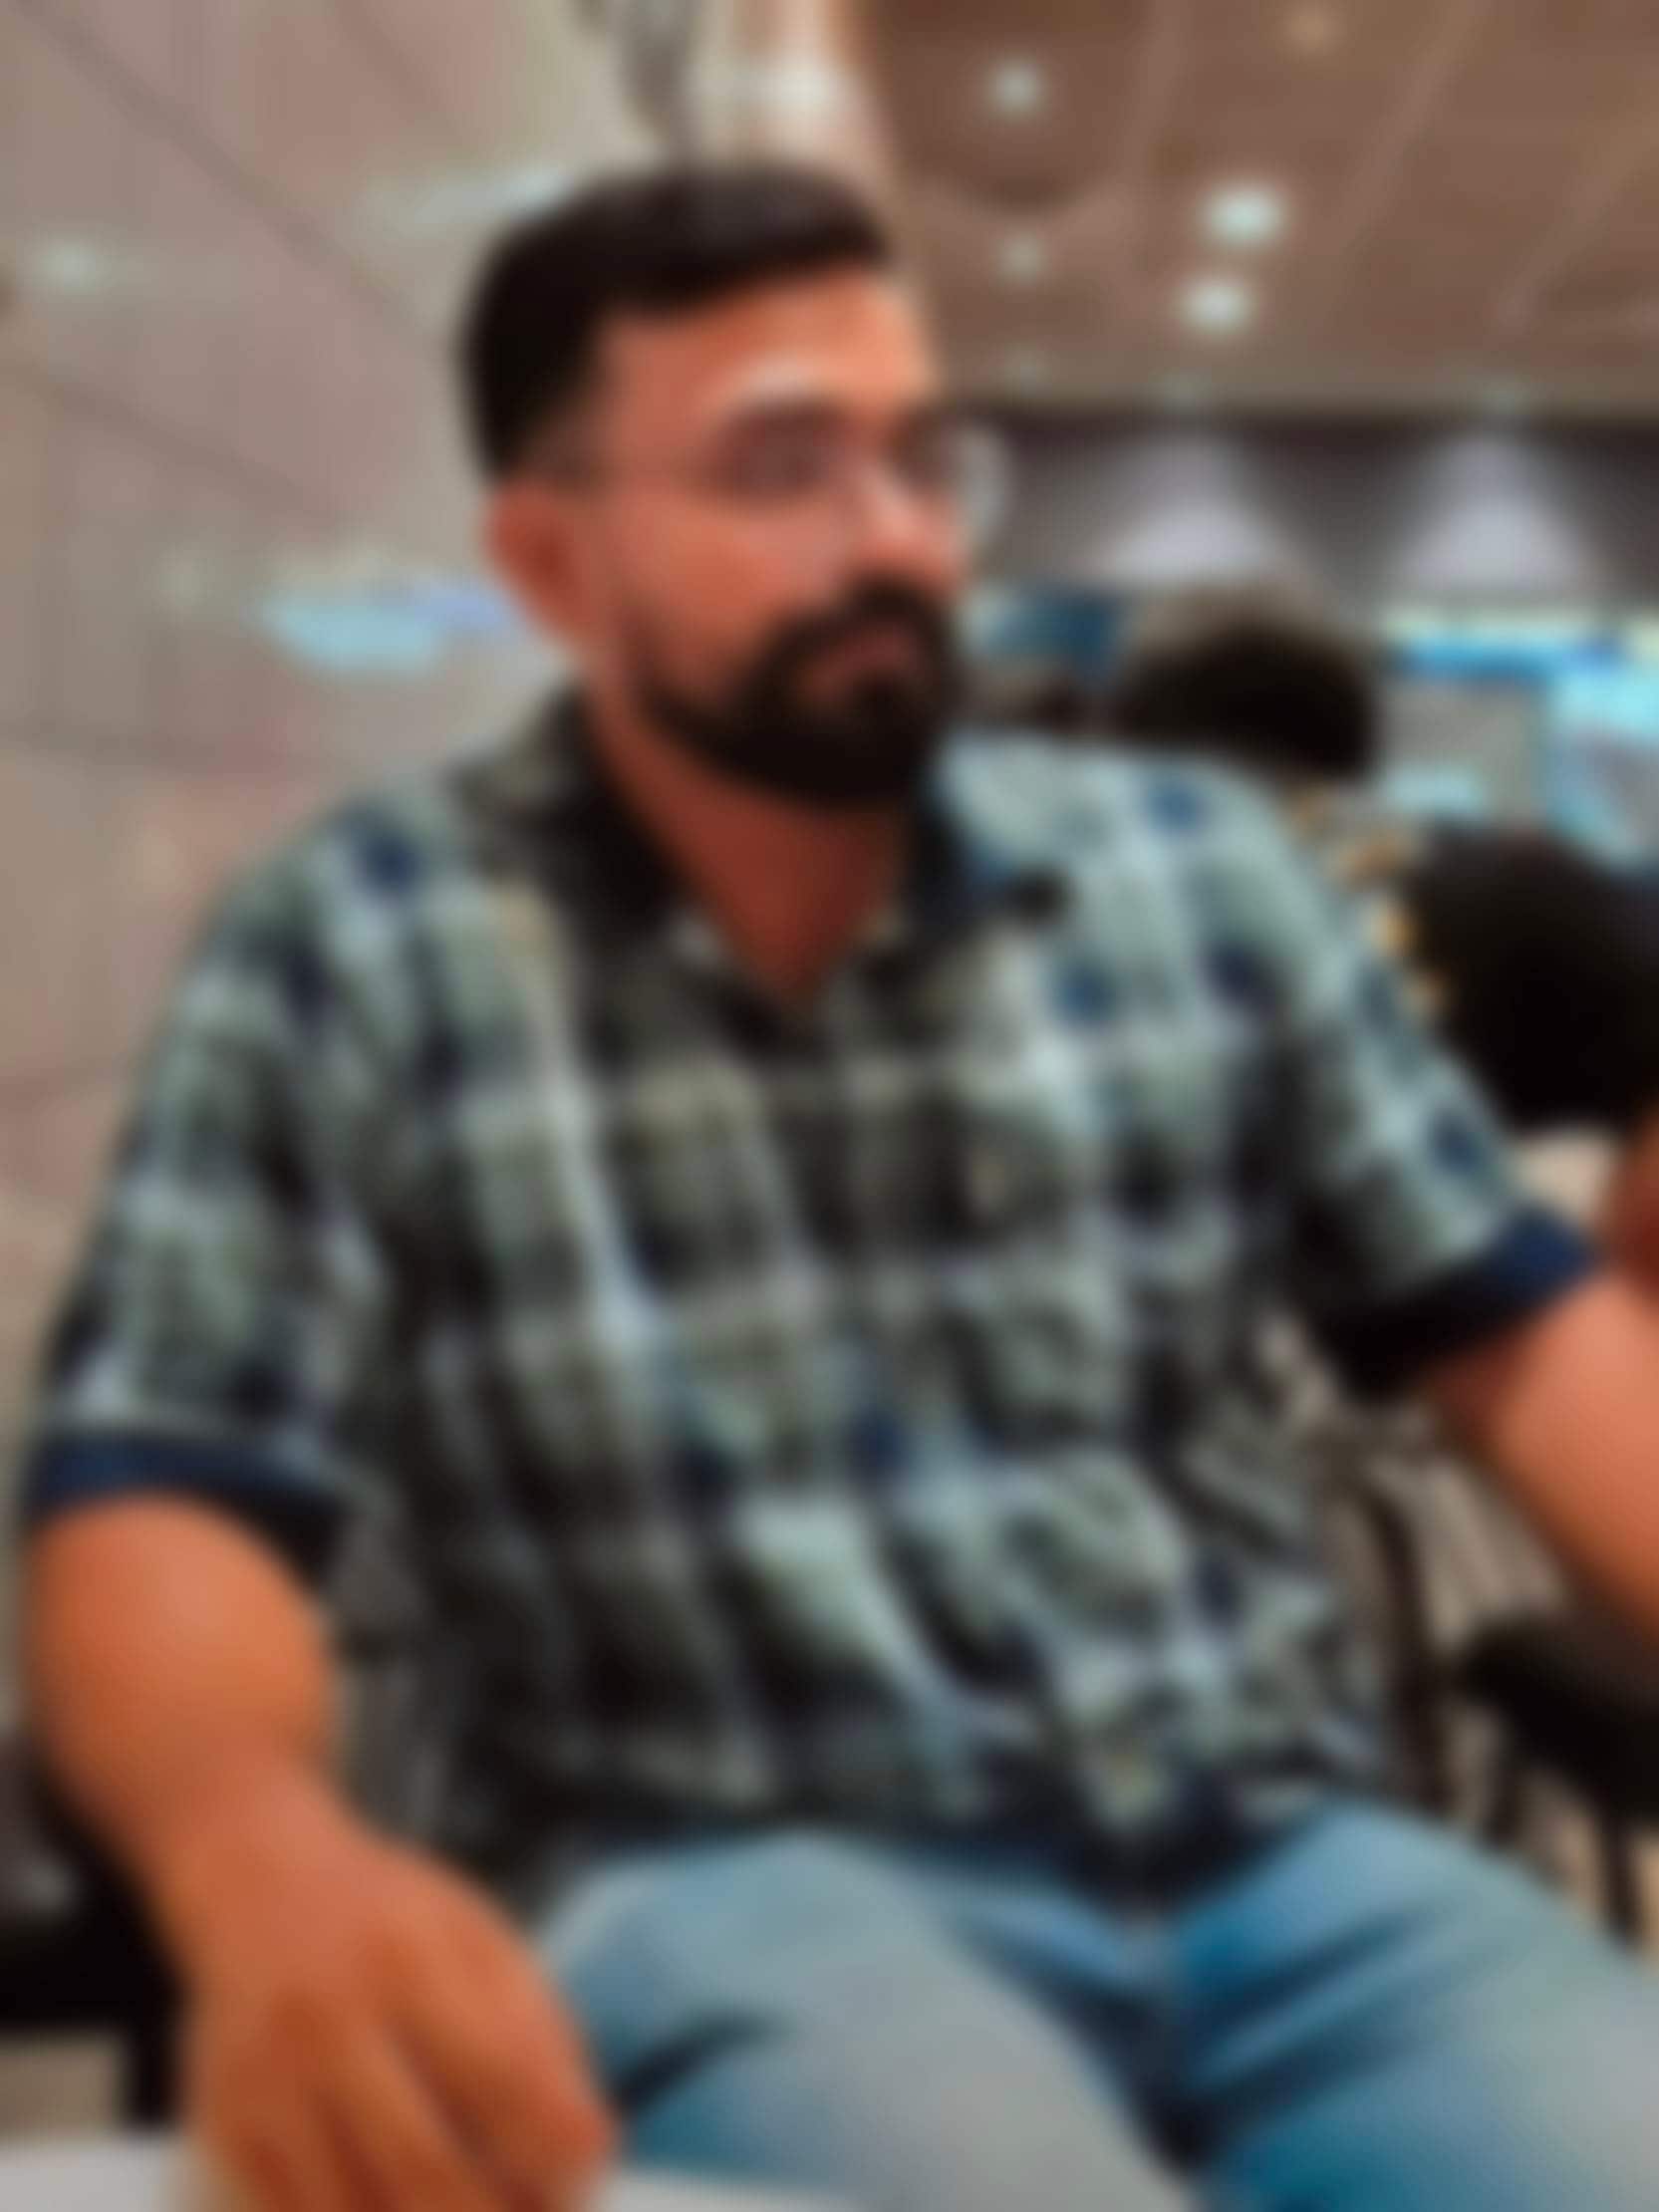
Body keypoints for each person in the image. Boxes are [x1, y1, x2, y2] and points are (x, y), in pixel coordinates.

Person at [18, 163, 1659, 2212]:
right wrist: (260, 1860)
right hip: (719, 1879)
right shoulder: (362, 946)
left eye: (917, 458)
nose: (889, 539)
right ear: (549, 561)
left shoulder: (1191, 878)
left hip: (1288, 1862)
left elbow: (1526, 1341)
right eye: (778, 469)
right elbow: (163, 1486)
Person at [1108, 586, 1659, 1275]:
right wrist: (1608, 1309)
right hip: (1441, 1322)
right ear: (1361, 737)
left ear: (1117, 738)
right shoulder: (1511, 882)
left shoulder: (1047, 888)